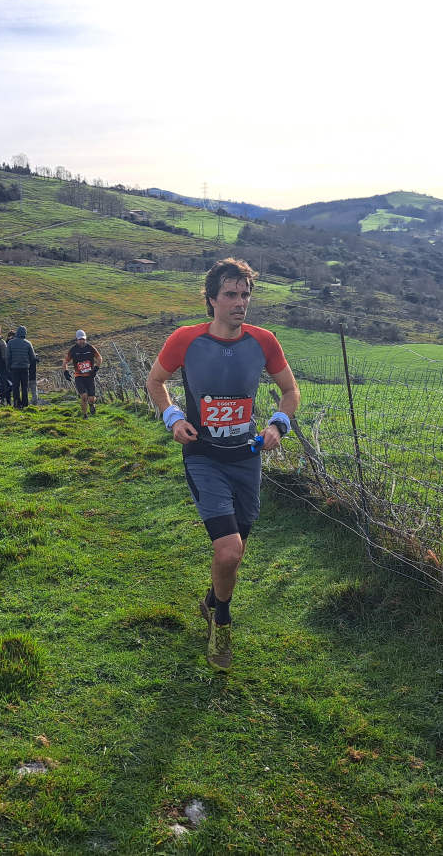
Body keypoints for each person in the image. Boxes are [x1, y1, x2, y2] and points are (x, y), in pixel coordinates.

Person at [145, 258, 299, 671]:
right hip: (204, 457)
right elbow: (155, 381)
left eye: (245, 294)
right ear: (211, 299)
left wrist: (278, 424)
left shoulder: (264, 341)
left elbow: (290, 391)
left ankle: (212, 600)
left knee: (237, 548)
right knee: (228, 551)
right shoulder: (186, 340)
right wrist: (173, 417)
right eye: (231, 294)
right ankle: (222, 622)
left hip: (246, 458)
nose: (240, 302)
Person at [64, 329, 104, 417]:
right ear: (77, 340)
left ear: (85, 339)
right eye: (80, 339)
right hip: (79, 377)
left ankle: (92, 405)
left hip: (90, 376)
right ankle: (85, 415)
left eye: (83, 339)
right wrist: (66, 372)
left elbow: (99, 358)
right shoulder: (73, 350)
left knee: (91, 399)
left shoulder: (90, 348)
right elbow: (65, 361)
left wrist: (96, 368)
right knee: (84, 397)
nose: (82, 341)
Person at [6, 325, 35, 408]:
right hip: (25, 368)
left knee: (15, 386)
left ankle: (16, 403)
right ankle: (25, 404)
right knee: (24, 387)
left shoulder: (11, 343)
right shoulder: (28, 343)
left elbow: (8, 356)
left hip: (14, 368)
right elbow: (32, 357)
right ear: (25, 333)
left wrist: (8, 367)